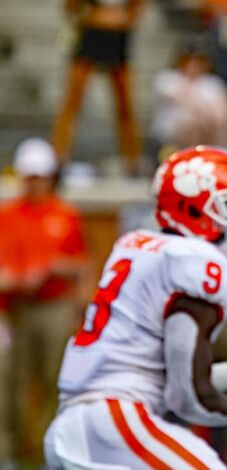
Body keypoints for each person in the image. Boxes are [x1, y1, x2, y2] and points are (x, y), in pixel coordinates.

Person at [44, 146, 227, 468]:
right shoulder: (198, 264)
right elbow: (187, 398)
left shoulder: (140, 247)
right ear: (198, 211)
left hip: (75, 424)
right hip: (115, 420)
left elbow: (170, 376)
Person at [0, 138, 87, 466]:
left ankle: (54, 450)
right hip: (14, 309)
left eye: (40, 176)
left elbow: (81, 262)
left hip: (54, 306)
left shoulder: (66, 214)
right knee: (14, 381)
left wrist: (54, 269)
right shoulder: (7, 215)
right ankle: (19, 452)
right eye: (30, 177)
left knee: (56, 378)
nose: (35, 183)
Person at [50, 0, 144, 173]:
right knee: (73, 99)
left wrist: (127, 18)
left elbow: (138, 6)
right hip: (91, 30)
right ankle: (58, 154)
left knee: (125, 104)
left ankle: (132, 159)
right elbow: (70, 6)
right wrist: (87, 16)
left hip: (117, 34)